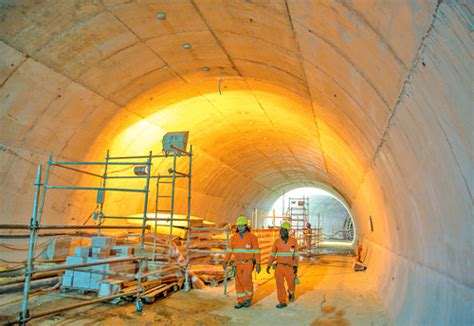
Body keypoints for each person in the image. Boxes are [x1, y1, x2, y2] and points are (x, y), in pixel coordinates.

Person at [223, 215, 261, 308]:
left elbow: (257, 251)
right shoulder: (233, 238)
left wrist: (258, 264)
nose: (240, 228)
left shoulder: (252, 237)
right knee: (238, 282)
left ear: (246, 226)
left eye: (242, 226)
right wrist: (225, 261)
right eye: (238, 226)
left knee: (246, 280)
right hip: (238, 263)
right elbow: (229, 251)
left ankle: (248, 298)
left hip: (248, 263)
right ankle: (240, 300)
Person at [266, 221, 299, 308]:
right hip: (279, 266)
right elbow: (272, 254)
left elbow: (296, 255)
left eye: (284, 230)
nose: (282, 232)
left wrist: (296, 266)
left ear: (288, 232)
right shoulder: (277, 241)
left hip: (290, 267)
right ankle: (282, 301)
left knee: (291, 284)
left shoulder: (293, 241)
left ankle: (291, 292)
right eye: (281, 230)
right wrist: (269, 265)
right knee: (279, 284)